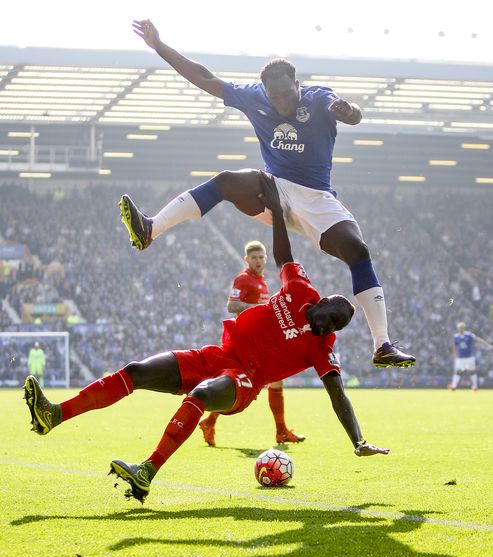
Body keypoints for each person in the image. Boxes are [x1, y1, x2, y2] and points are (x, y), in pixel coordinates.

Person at [23, 174, 389, 503]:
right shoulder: (300, 289)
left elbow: (337, 394)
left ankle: (146, 471)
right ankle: (53, 415)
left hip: (244, 381)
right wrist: (277, 210)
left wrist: (358, 441)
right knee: (136, 371)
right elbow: (284, 253)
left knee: (200, 395)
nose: (328, 330)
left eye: (335, 329)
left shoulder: (322, 347)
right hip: (217, 356)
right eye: (331, 320)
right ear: (322, 302)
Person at [119, 18, 416, 371]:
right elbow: (204, 77)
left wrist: (348, 111)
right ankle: (150, 228)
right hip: (272, 187)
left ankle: (382, 344)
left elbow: (354, 115)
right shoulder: (255, 98)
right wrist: (160, 46)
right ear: (265, 91)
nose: (281, 103)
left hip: (315, 197)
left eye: (287, 95)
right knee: (228, 179)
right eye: (274, 97)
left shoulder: (320, 98)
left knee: (358, 251)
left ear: (298, 84)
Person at [199, 240, 305, 446]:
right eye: (254, 258)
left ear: (266, 258)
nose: (257, 261)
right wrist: (258, 307)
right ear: (246, 260)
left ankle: (280, 431)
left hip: (258, 339)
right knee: (243, 386)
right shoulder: (243, 279)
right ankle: (210, 421)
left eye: (261, 257)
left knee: (275, 380)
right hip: (245, 341)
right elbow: (232, 305)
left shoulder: (262, 280)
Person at [448, 321, 493, 391]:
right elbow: (454, 346)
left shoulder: (469, 335)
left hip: (469, 357)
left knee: (472, 372)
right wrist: (454, 355)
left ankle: (474, 386)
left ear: (464, 328)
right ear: (458, 328)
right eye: (459, 328)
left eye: (462, 327)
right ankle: (454, 386)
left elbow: (478, 339)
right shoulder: (456, 337)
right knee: (457, 371)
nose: (460, 329)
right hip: (460, 357)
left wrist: (487, 344)